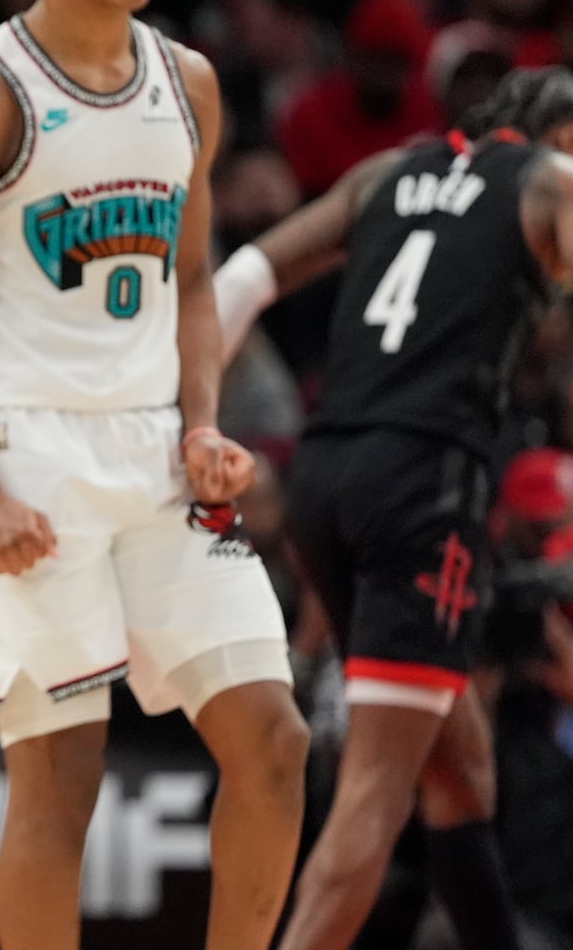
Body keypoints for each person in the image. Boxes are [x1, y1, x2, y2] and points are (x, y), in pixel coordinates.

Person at [0, 0, 310, 947]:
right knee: (59, 779)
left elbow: (197, 280)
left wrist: (204, 422)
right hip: (24, 450)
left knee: (272, 738)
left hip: (156, 445)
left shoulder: (190, 80)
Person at [212, 66, 573, 950]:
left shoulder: (387, 172)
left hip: (325, 476)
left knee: (459, 771)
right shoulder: (551, 183)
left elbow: (243, 279)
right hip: (424, 484)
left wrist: (178, 422)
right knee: (380, 788)